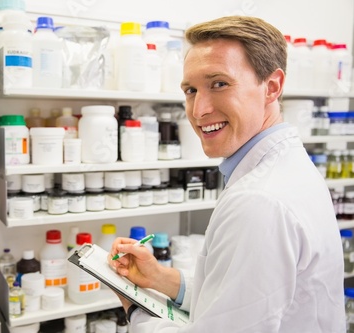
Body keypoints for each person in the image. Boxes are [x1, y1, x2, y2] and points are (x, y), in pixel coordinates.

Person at [108, 15, 345, 332]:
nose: (198, 110)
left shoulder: (260, 201)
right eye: (191, 90)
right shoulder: (287, 168)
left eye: (219, 84)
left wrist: (136, 311)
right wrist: (160, 279)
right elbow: (241, 303)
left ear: (271, 87)